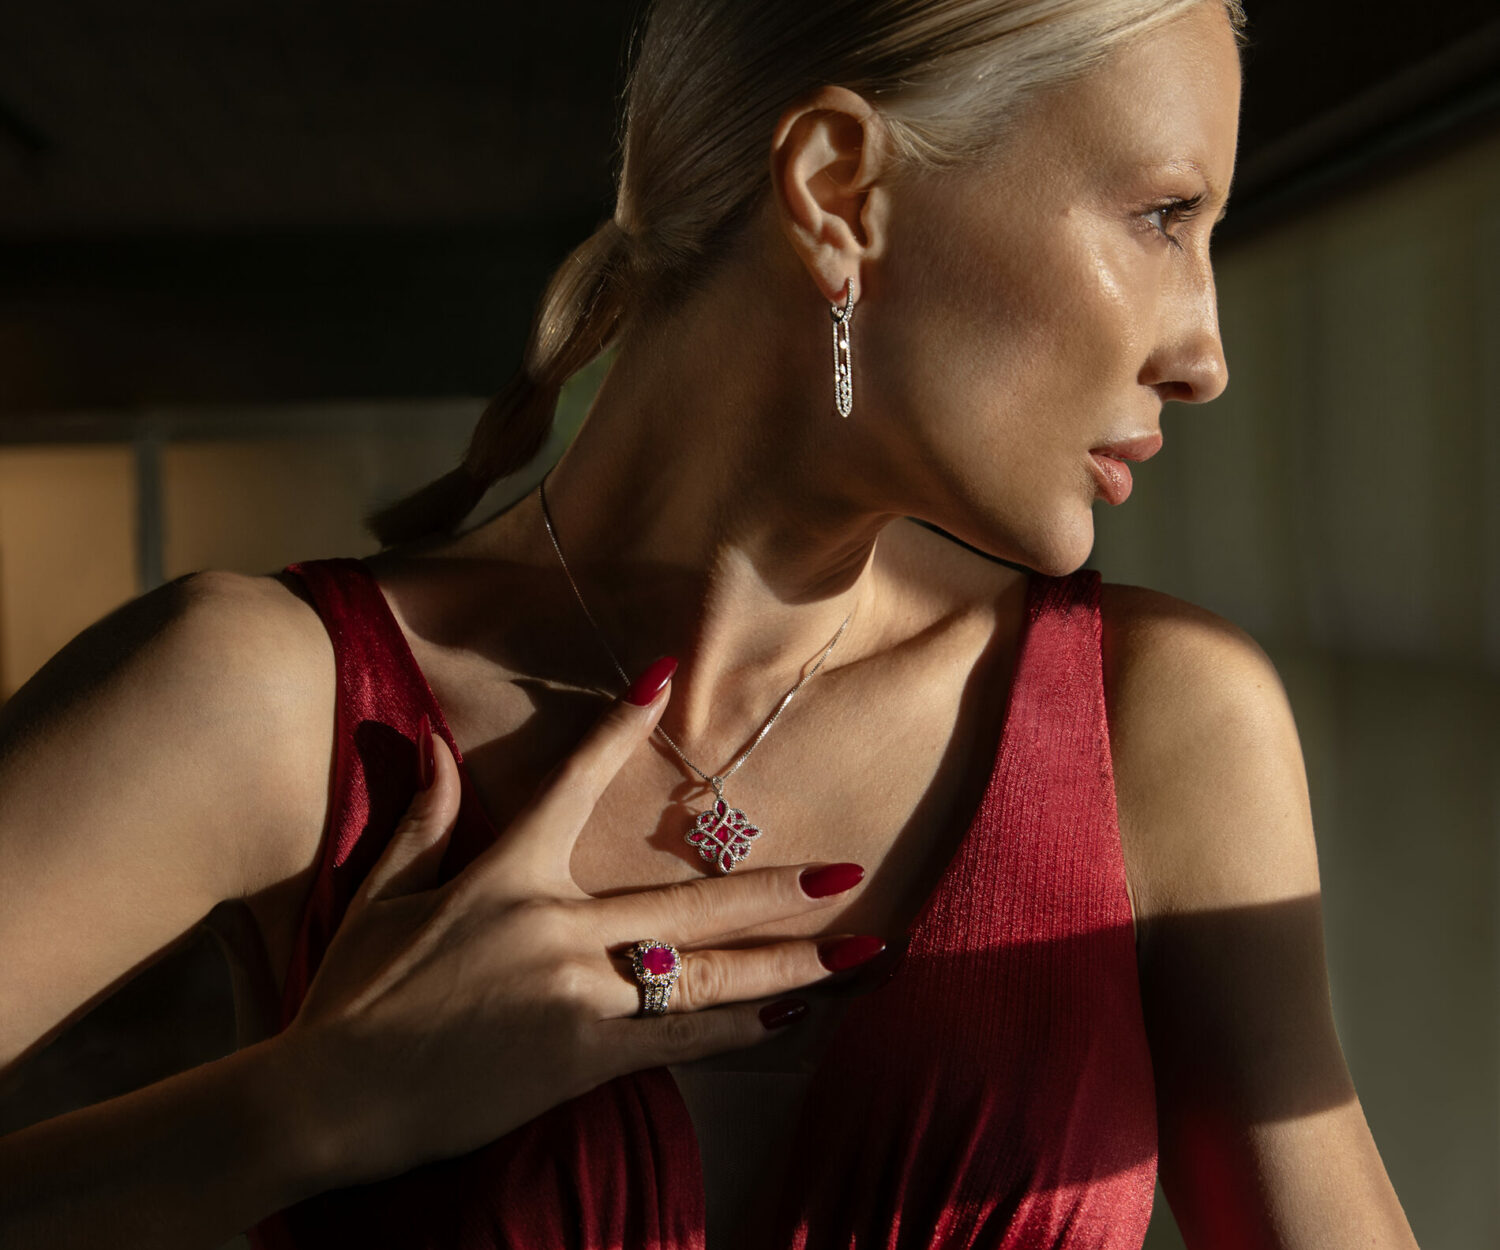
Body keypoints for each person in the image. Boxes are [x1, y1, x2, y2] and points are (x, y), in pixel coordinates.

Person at [0, 0, 1422, 1246]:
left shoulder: (1157, 722)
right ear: (840, 189)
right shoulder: (271, 703)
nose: (1206, 354)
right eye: (1164, 216)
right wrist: (307, 1110)